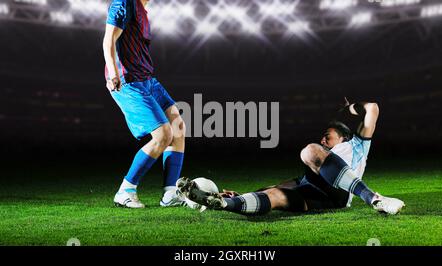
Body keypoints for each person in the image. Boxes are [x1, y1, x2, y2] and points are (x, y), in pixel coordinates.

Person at [177, 99, 406, 215]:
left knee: (309, 151)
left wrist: (351, 108)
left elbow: (373, 108)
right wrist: (244, 195)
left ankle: (374, 199)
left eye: (328, 137)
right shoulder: (319, 161)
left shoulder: (357, 144)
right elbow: (282, 186)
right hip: (313, 191)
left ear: (344, 136)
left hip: (339, 194)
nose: (324, 141)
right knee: (274, 194)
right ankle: (224, 203)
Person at [103, 0, 185, 208]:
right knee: (163, 135)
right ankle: (126, 190)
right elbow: (108, 41)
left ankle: (170, 194)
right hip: (128, 81)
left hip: (147, 79)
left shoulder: (142, 10)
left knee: (178, 127)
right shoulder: (124, 3)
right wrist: (113, 74)